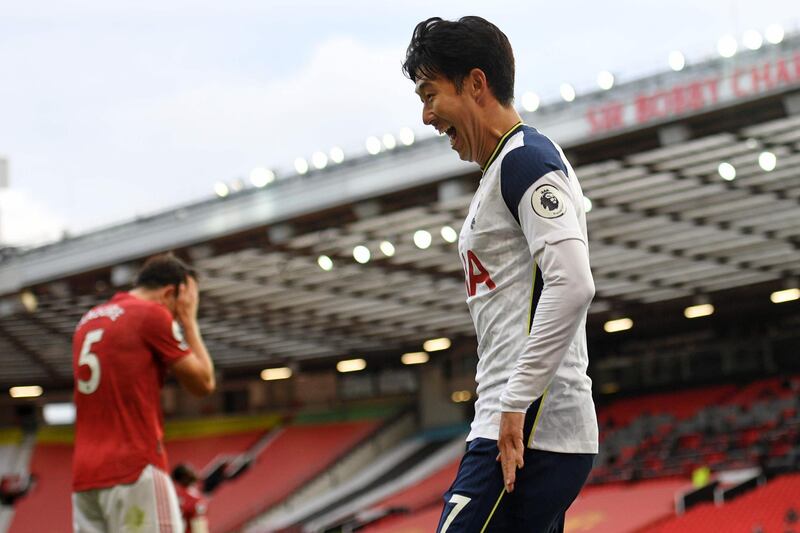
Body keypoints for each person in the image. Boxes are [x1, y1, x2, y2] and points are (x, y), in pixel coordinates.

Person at [404, 16, 598, 532]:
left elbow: (573, 283)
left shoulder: (527, 162)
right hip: (515, 425)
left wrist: (515, 402)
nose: (425, 116)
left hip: (524, 431)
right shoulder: (503, 169)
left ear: (474, 83)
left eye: (429, 94)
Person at [72, 253, 216, 532]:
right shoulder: (151, 315)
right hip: (134, 469)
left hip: (85, 477)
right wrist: (189, 323)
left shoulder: (87, 321)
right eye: (181, 305)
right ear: (173, 292)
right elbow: (204, 382)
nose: (177, 313)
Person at [172, 463, 210, 533]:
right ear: (183, 477)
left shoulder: (194, 492)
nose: (194, 472)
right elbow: (198, 527)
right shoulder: (185, 497)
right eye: (190, 471)